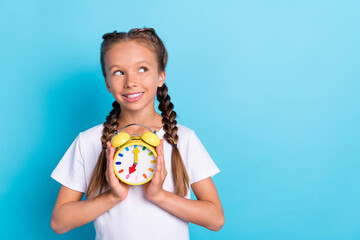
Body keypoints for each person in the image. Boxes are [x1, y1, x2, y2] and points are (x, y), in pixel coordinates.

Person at [50, 27, 225, 240]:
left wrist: (159, 195)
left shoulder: (183, 139)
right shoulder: (89, 141)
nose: (131, 82)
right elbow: (59, 222)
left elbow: (215, 219)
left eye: (142, 69)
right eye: (118, 72)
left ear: (160, 76)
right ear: (107, 83)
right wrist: (113, 197)